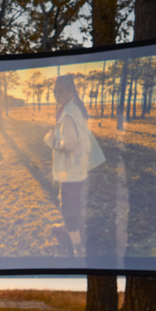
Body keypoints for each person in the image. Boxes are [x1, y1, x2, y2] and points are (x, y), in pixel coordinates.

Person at [43, 74, 107, 257]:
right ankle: (69, 229)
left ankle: (78, 247)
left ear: (71, 91)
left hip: (71, 170)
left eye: (61, 91)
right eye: (55, 91)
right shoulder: (73, 108)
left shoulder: (69, 113)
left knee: (68, 206)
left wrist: (49, 139)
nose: (57, 94)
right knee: (74, 204)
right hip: (77, 168)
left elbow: (70, 145)